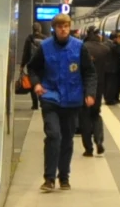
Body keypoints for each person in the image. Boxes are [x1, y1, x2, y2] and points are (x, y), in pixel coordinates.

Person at [29, 12, 95, 192]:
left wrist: (90, 93)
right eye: (59, 26)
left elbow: (89, 72)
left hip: (72, 101)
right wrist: (36, 85)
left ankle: (64, 176)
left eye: (66, 26)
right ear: (54, 29)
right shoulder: (44, 47)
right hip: (50, 98)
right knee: (53, 136)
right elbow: (32, 68)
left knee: (67, 139)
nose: (63, 29)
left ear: (70, 27)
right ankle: (49, 179)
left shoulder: (79, 47)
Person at [79, 25, 112, 157]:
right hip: (99, 86)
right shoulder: (105, 49)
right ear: (98, 35)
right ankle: (99, 140)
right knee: (96, 114)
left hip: (83, 87)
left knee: (84, 117)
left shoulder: (82, 47)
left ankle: (88, 149)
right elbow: (109, 69)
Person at [104, 30, 120, 106]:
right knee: (111, 85)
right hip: (113, 68)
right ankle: (110, 99)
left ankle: (110, 98)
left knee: (110, 84)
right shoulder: (114, 46)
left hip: (109, 68)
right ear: (115, 38)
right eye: (118, 38)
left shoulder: (106, 44)